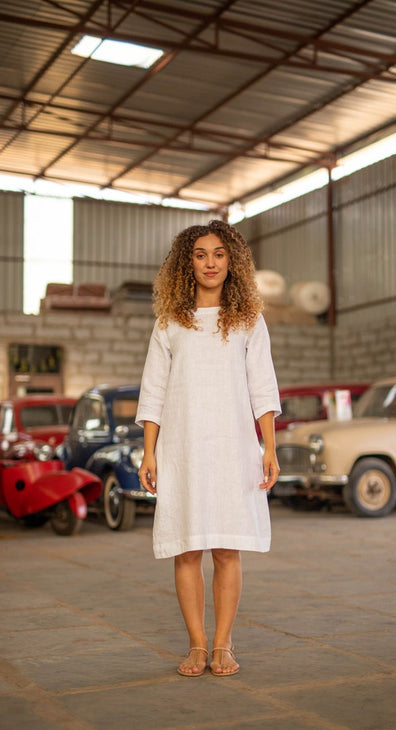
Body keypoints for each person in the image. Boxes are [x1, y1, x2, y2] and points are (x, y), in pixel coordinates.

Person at [135, 219, 281, 678]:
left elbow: (263, 389)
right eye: (200, 254)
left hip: (234, 448)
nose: (210, 262)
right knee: (186, 549)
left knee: (226, 549)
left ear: (231, 260)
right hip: (182, 449)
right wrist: (150, 452)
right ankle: (197, 645)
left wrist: (269, 449)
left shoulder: (248, 321)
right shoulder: (169, 323)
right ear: (187, 263)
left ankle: (223, 645)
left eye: (219, 253)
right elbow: (153, 391)